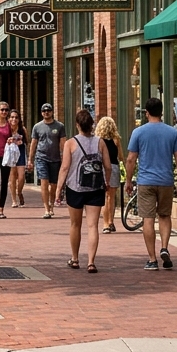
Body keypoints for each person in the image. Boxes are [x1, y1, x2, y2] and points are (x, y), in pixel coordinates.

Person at [125, 97, 177, 271]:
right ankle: (164, 247)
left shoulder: (138, 132)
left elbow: (131, 159)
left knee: (148, 219)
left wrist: (128, 180)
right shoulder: (172, 132)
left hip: (146, 181)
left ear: (146, 113)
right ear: (162, 112)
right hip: (165, 180)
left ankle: (152, 259)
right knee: (165, 216)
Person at [55, 109, 109, 273]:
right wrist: (105, 182)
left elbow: (64, 168)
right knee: (93, 225)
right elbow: (107, 166)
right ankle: (91, 262)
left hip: (75, 187)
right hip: (95, 188)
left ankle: (75, 258)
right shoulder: (100, 142)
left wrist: (58, 189)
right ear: (92, 125)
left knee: (75, 224)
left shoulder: (70, 143)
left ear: (77, 125)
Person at [29, 104, 67, 219]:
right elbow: (33, 143)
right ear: (41, 113)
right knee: (44, 183)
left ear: (52, 112)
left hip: (55, 159)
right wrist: (30, 159)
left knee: (53, 185)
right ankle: (46, 208)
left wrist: (65, 159)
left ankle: (51, 205)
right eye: (44, 111)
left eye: (48, 110)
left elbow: (63, 144)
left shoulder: (59, 126)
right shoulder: (37, 127)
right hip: (41, 157)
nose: (46, 112)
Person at [96, 117, 122, 234]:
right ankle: (111, 221)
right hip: (114, 167)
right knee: (111, 197)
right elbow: (121, 156)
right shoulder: (116, 140)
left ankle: (105, 223)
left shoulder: (98, 141)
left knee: (104, 197)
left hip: (101, 168)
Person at [7, 111, 28, 208]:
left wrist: (21, 142)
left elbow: (27, 142)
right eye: (12, 117)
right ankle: (14, 200)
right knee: (12, 177)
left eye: (16, 117)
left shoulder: (22, 129)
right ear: (9, 119)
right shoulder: (6, 129)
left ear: (19, 119)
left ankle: (19, 192)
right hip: (11, 155)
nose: (14, 119)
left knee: (21, 177)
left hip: (20, 154)